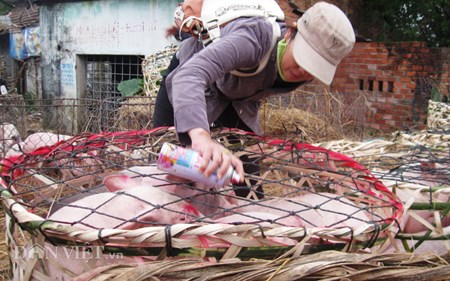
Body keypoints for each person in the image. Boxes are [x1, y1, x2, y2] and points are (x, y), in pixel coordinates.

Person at [153, 1, 356, 196]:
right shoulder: (252, 39)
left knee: (245, 180)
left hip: (236, 100)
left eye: (314, 66)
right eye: (303, 57)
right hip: (188, 86)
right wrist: (201, 137)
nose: (303, 70)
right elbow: (190, 76)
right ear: (290, 33)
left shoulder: (301, 72)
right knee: (168, 168)